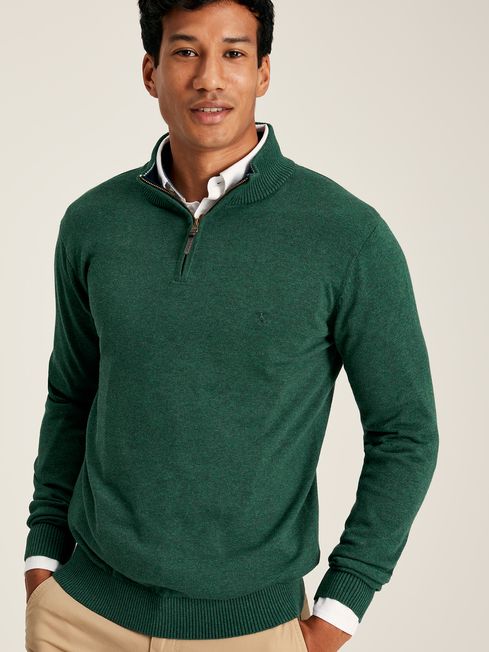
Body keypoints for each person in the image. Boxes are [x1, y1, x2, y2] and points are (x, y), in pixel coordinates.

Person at [23, 1, 439, 650]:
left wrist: (341, 608)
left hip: (251, 632)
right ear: (150, 71)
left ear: (263, 71)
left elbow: (405, 432)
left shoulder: (346, 236)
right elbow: (71, 395)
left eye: (234, 53)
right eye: (186, 51)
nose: (209, 77)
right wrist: (42, 554)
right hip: (81, 619)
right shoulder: (93, 222)